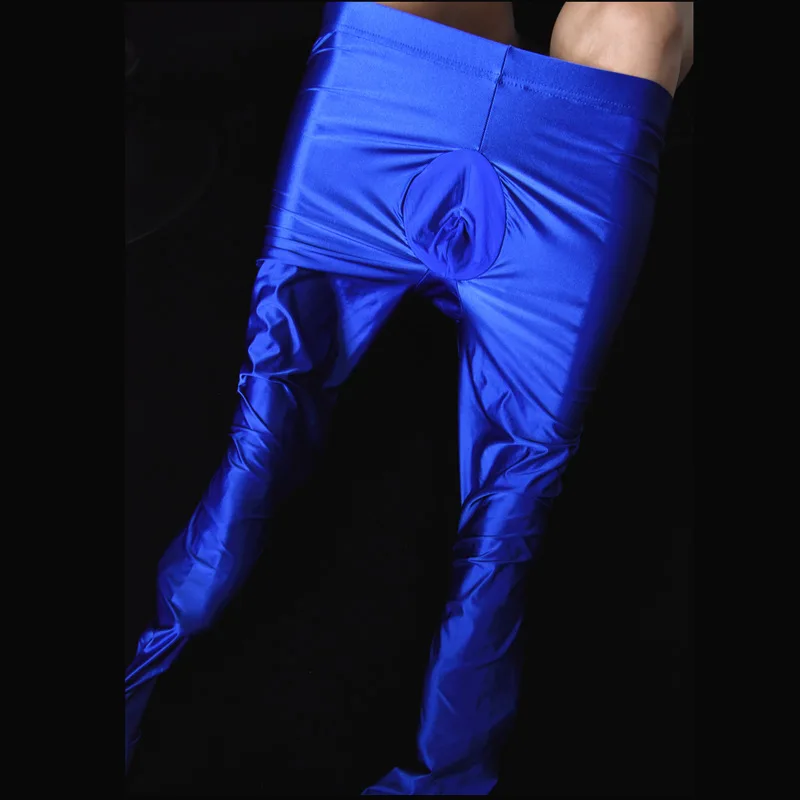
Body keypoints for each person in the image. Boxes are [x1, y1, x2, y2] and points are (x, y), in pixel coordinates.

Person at [125, 2, 694, 794]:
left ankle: (441, 777)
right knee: (290, 463)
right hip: (423, 83)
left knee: (487, 503)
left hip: (479, 100)